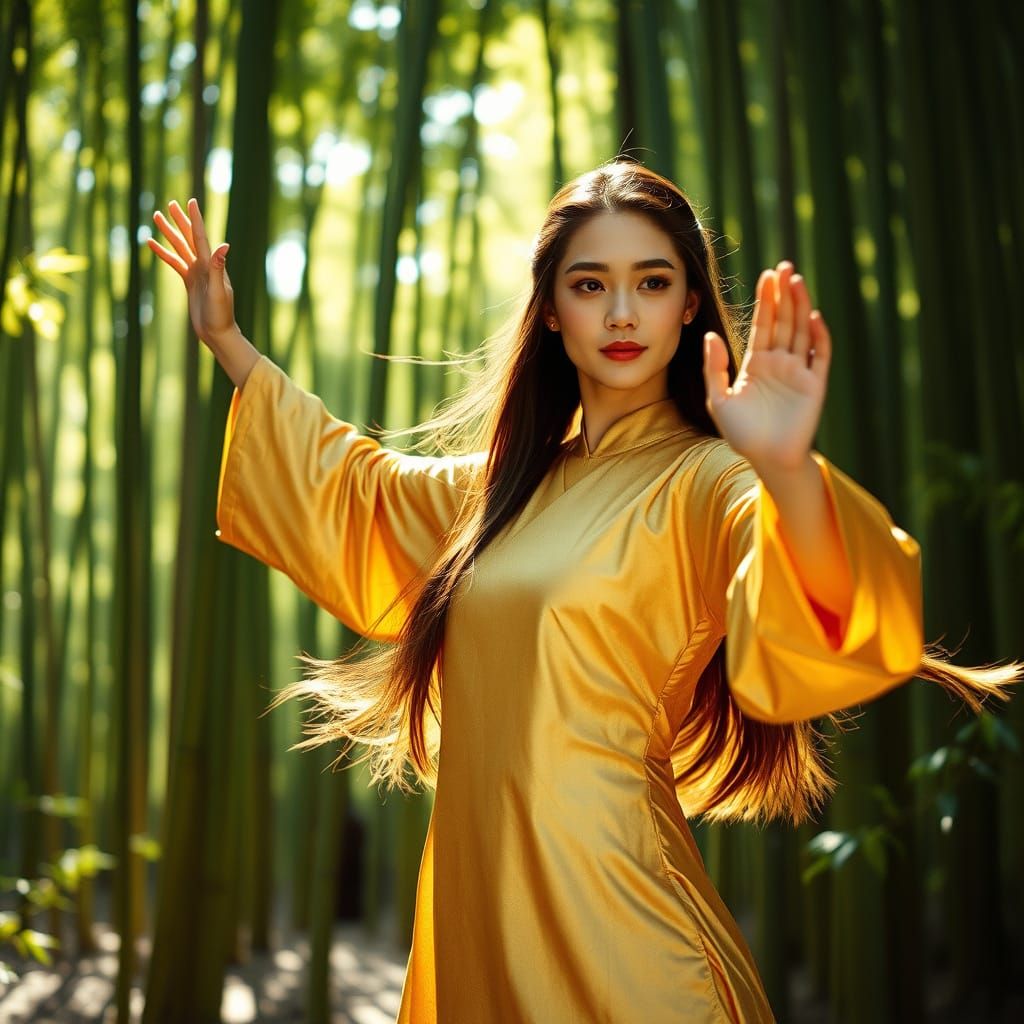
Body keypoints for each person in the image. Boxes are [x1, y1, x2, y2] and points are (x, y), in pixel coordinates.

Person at [149, 158, 1019, 1023]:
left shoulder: (707, 479)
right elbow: (358, 489)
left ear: (689, 303)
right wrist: (229, 341)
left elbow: (809, 584)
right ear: (553, 313)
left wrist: (787, 471)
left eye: (651, 281)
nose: (620, 312)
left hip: (620, 926)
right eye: (590, 283)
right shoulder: (501, 491)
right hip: (477, 910)